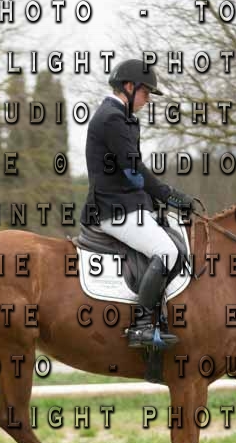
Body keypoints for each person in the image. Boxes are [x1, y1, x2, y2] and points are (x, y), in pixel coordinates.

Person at [80, 58, 196, 349]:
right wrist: (169, 195)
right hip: (114, 210)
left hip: (129, 206)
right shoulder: (112, 119)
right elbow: (134, 171)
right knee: (167, 252)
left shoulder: (124, 118)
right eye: (145, 92)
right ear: (129, 87)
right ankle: (141, 326)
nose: (147, 99)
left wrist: (158, 203)